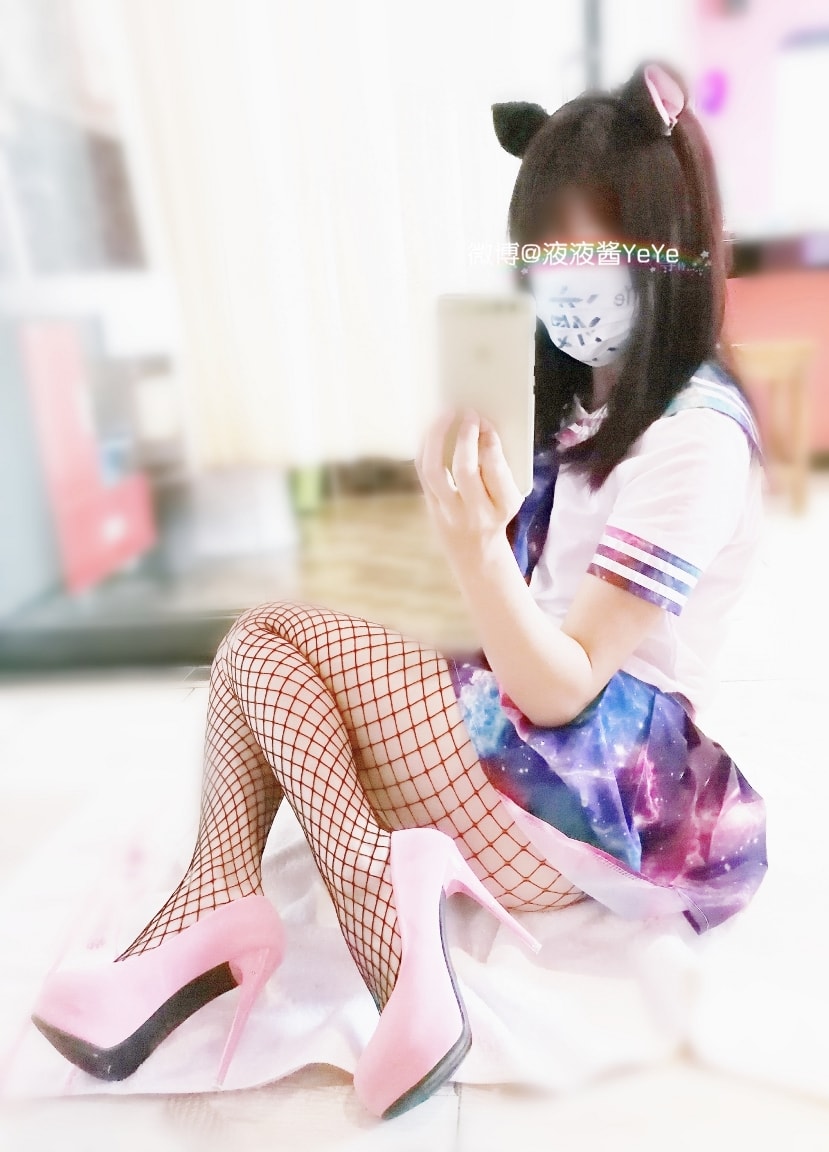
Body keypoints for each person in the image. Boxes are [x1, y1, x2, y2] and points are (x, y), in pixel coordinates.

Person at [29, 59, 767, 1120]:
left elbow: (564, 687)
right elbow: (524, 610)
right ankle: (293, 917)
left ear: (671, 246)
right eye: (543, 254)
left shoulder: (695, 437)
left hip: (599, 791)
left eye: (592, 250)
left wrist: (471, 550)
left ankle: (299, 916)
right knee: (267, 657)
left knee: (268, 641)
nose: (565, 282)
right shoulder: (588, 403)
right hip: (531, 744)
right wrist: (475, 537)